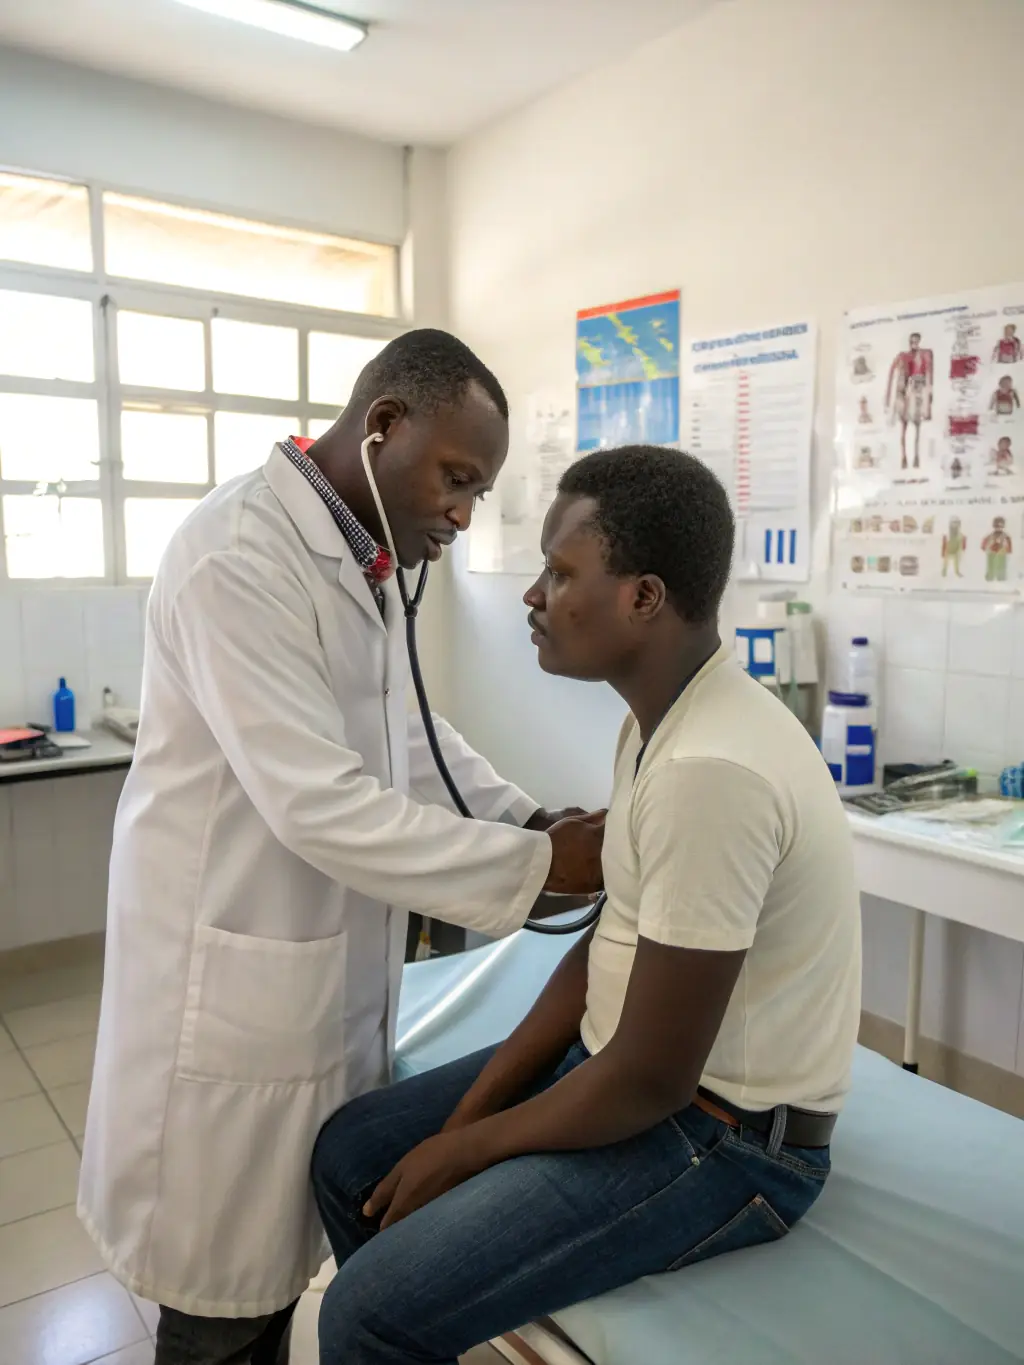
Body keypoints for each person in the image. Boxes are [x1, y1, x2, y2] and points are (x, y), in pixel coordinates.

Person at [78, 329, 606, 1365]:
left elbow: (402, 728)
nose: (460, 514)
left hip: (311, 991)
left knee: (270, 1291)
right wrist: (539, 870)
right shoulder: (239, 556)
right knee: (222, 1313)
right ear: (381, 427)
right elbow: (317, 802)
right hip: (222, 993)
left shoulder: (353, 561)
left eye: (478, 491)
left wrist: (525, 822)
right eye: (456, 478)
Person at [311, 445, 863, 1365]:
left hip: (730, 1143)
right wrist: (463, 1122)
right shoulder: (659, 724)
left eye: (560, 573)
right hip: (631, 1071)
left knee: (363, 1314)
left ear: (643, 598)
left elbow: (653, 1079)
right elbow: (607, 947)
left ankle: (402, 1317)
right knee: (350, 1152)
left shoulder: (708, 770)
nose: (533, 594)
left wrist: (467, 1152)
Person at [886, 331, 934, 469]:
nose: (914, 344)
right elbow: (892, 373)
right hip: (906, 393)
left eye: (916, 341)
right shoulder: (903, 356)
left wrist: (928, 397)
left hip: (918, 393)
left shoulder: (925, 355)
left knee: (917, 428)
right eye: (912, 341)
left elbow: (928, 375)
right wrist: (890, 397)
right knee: (904, 428)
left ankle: (917, 456)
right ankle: (904, 457)